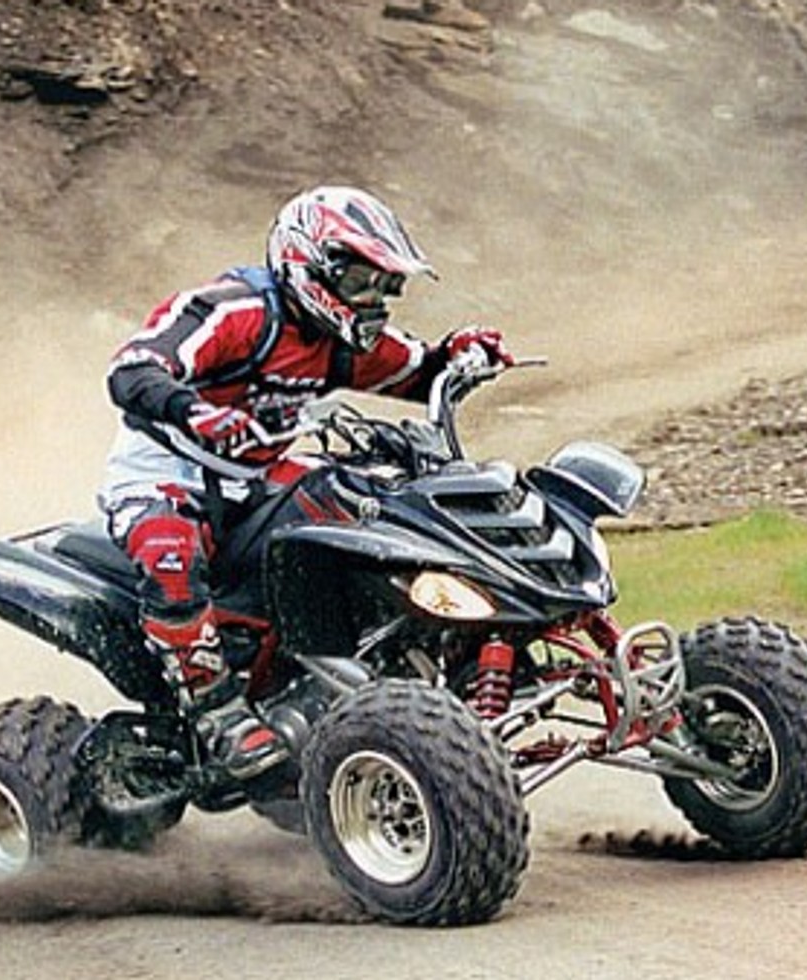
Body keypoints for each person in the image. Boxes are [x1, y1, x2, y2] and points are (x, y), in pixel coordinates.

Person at [98, 185, 514, 780]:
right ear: (309, 264)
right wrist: (196, 413)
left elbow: (421, 372)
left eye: (386, 286)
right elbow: (131, 369)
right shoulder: (234, 312)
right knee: (172, 559)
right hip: (165, 472)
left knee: (374, 506)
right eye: (362, 281)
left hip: (261, 475)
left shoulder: (339, 341)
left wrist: (461, 353)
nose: (374, 300)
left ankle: (399, 660)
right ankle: (217, 714)